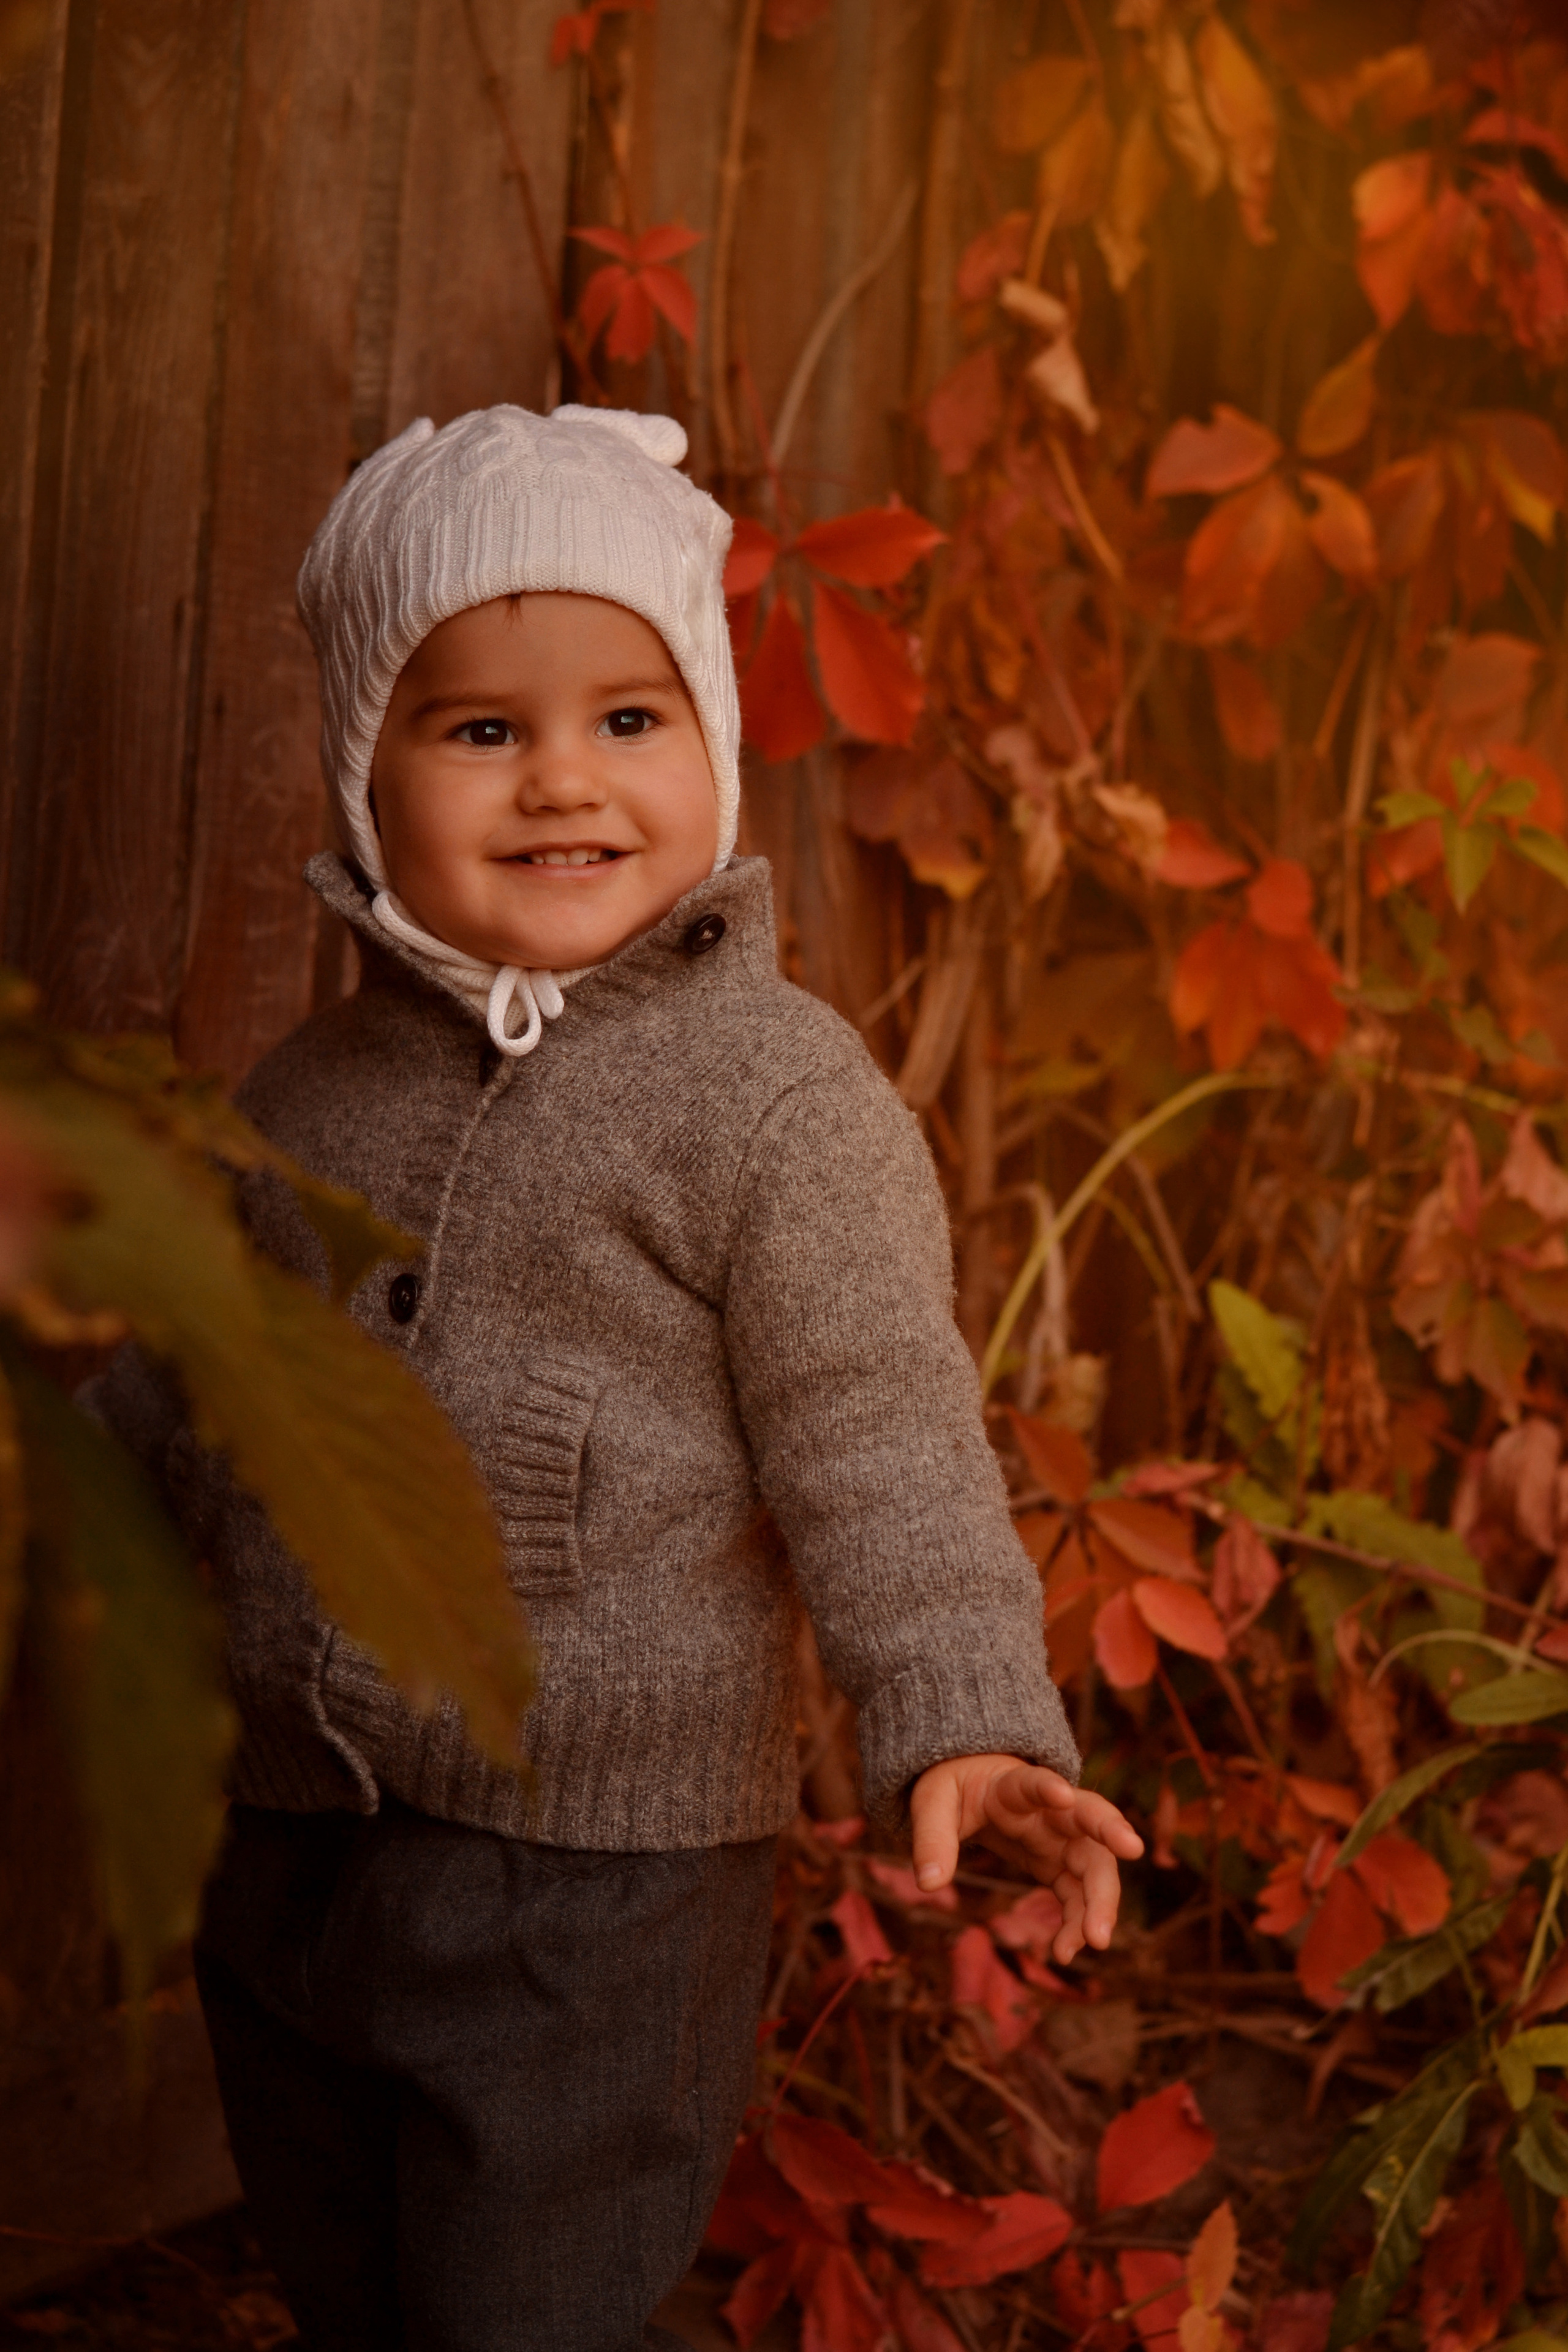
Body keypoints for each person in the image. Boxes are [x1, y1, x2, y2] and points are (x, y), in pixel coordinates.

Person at [95, 404, 1142, 2352]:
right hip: (295, 1847)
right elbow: (191, 1387)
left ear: (715, 749)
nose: (562, 779)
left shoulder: (770, 1105)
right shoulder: (306, 1100)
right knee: (345, 2267)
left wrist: (962, 1710)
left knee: (531, 2301)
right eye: (482, 727)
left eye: (629, 721)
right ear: (366, 773)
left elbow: (882, 1437)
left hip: (601, 1888)